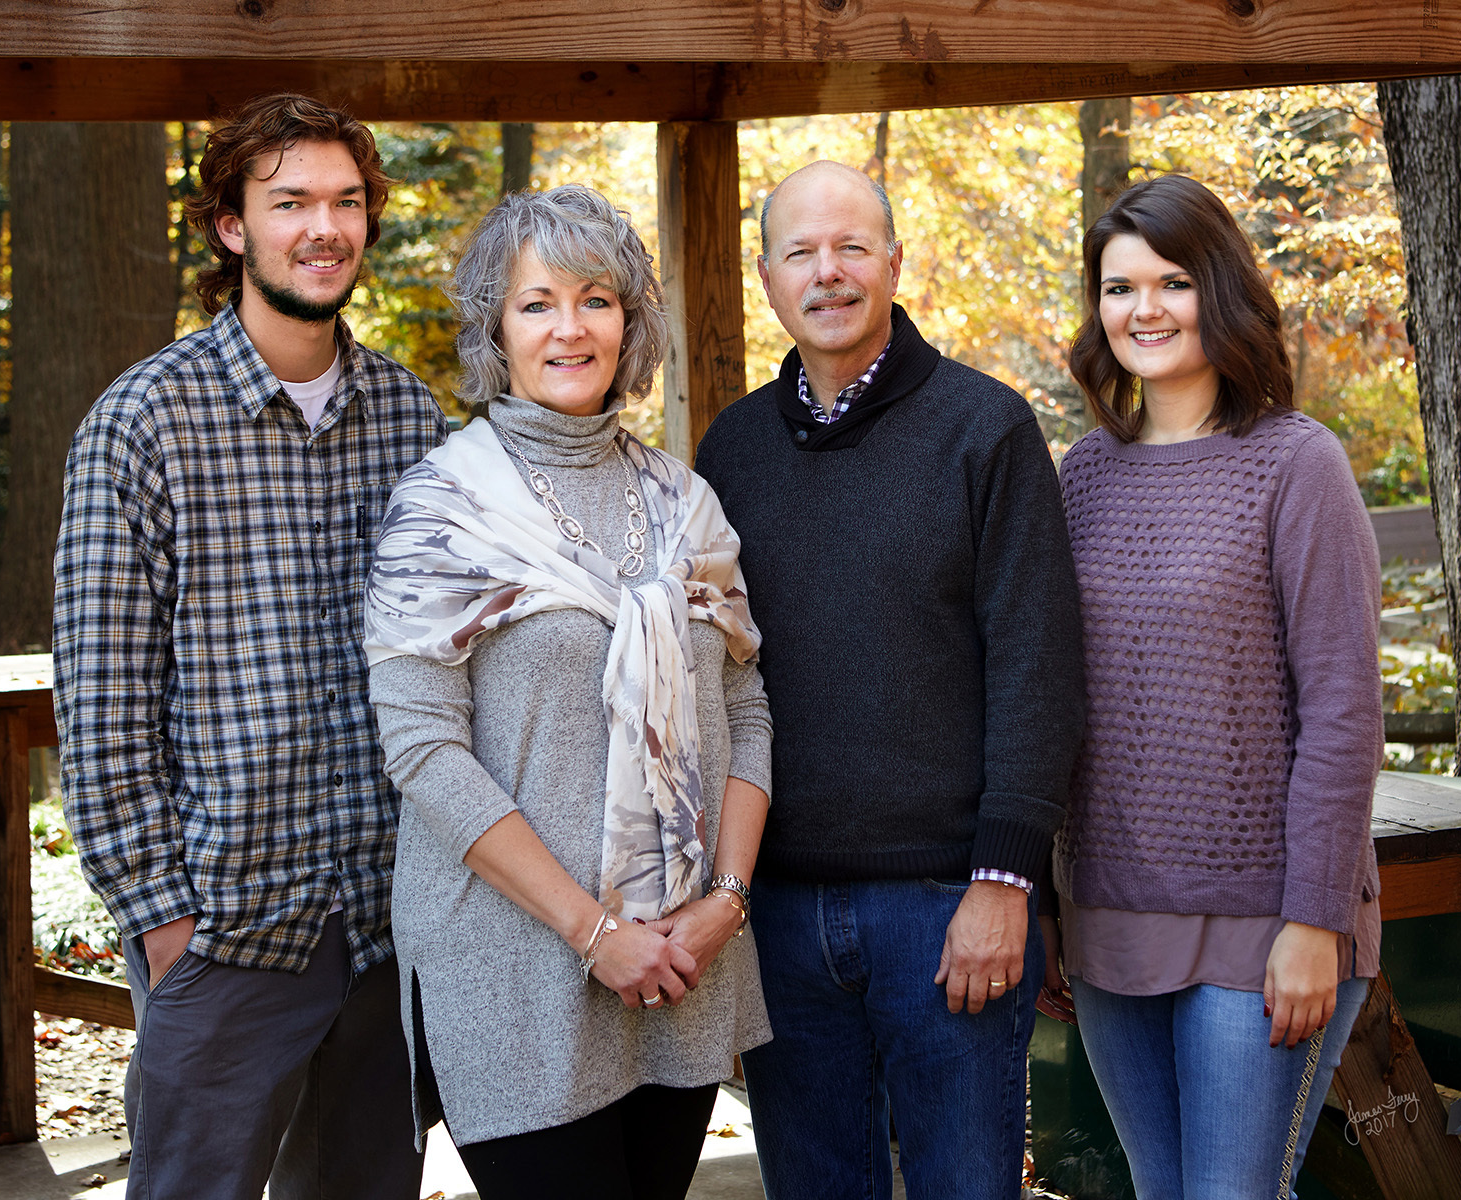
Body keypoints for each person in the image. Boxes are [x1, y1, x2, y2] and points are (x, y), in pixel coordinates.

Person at [53, 93, 447, 1200]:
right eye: (290, 203)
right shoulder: (142, 425)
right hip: (227, 937)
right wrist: (166, 925)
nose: (324, 227)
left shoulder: (414, 423)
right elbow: (101, 702)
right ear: (233, 226)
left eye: (345, 201)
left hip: (383, 932)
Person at [362, 183, 773, 1200]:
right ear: (497, 327)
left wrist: (726, 899)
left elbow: (749, 705)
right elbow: (422, 749)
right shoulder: (443, 504)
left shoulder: (687, 501)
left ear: (629, 321)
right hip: (515, 962)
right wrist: (595, 935)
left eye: (596, 299)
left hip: (680, 955)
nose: (569, 327)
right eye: (537, 302)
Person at [694, 160, 1086, 1200]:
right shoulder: (731, 449)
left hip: (946, 904)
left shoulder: (985, 430)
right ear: (768, 279)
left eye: (852, 247)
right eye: (801, 253)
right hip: (777, 915)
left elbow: (1038, 668)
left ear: (896, 262)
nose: (828, 273)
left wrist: (1008, 882)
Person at [1052, 173, 1384, 1199]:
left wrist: (1316, 920)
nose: (1142, 310)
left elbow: (1343, 710)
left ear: (1222, 291)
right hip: (1111, 913)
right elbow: (1055, 693)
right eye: (1118, 288)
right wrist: (1054, 902)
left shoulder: (1296, 464)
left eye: (1172, 282)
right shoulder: (1083, 474)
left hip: (1268, 922)